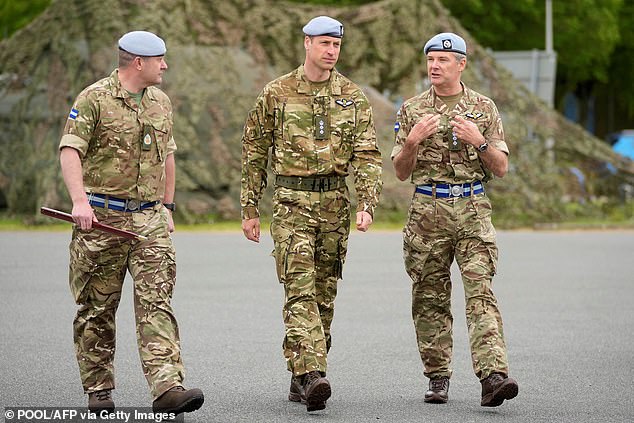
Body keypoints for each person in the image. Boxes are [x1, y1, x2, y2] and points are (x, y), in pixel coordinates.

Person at [240, 16, 382, 412]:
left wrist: (367, 203)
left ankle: (301, 375)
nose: (331, 51)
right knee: (299, 289)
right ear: (306, 43)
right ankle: (314, 372)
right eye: (324, 43)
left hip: (335, 205)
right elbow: (254, 150)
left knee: (324, 296)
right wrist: (250, 207)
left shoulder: (352, 96)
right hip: (291, 203)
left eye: (336, 45)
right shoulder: (277, 93)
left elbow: (367, 155)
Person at [59, 30, 204, 415]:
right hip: (101, 220)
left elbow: (168, 154)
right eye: (160, 60)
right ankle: (99, 389)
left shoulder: (161, 102)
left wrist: (168, 208)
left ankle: (167, 388)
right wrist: (78, 201)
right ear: (138, 62)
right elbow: (70, 150)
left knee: (157, 303)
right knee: (97, 308)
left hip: (149, 219)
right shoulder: (93, 99)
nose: (165, 66)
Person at [391, 32, 519, 407]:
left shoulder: (484, 107)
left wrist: (479, 141)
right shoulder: (412, 109)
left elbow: (501, 168)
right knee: (429, 296)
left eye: (443, 60)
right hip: (427, 212)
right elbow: (400, 172)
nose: (434, 65)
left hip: (472, 209)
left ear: (461, 64)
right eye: (430, 59)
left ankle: (493, 376)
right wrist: (412, 141)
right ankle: (437, 378)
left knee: (481, 292)